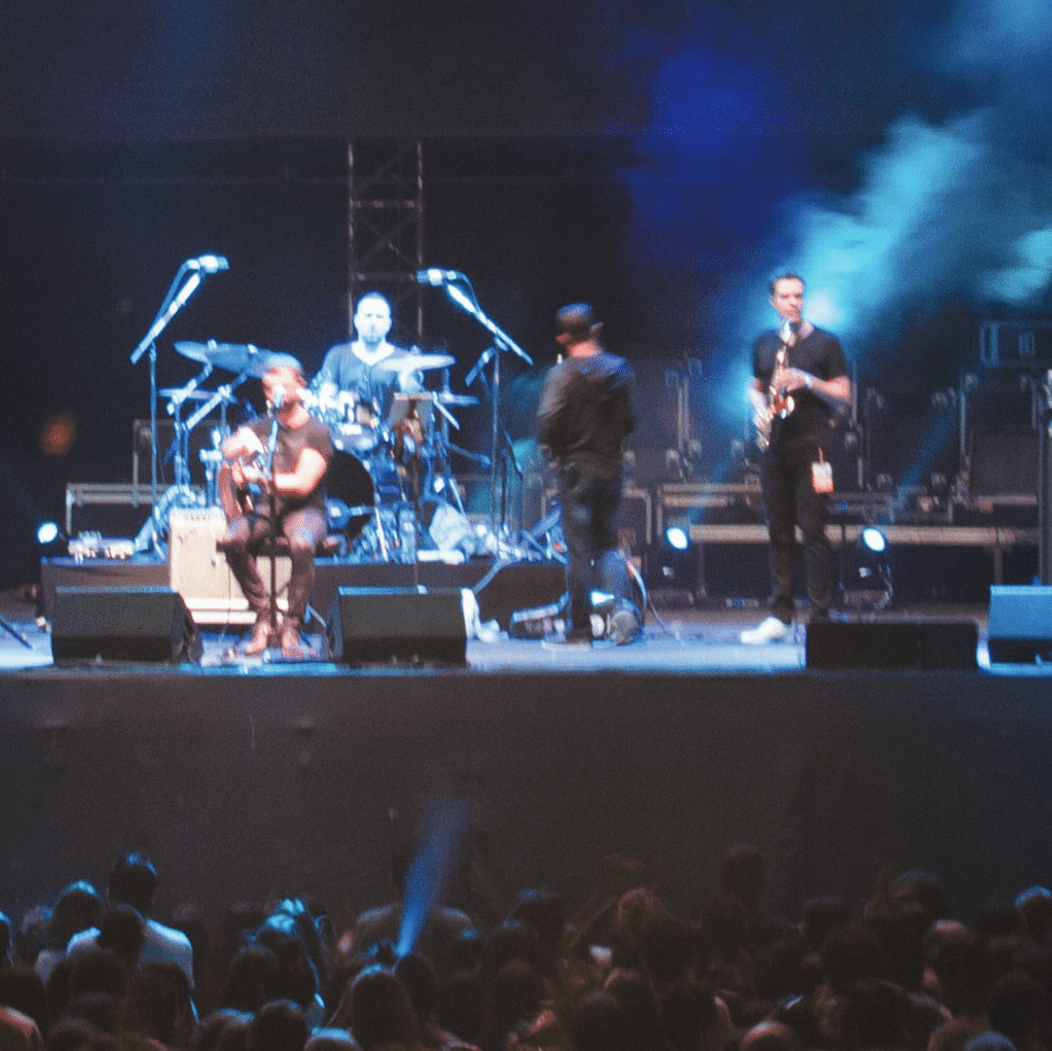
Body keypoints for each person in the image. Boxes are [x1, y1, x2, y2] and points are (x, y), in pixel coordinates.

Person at [741, 272, 852, 645]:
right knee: (779, 530)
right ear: (773, 302)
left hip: (814, 447)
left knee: (814, 529)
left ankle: (820, 615)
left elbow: (844, 394)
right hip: (775, 447)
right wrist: (759, 408)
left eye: (799, 296)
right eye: (786, 297)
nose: (793, 303)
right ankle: (781, 615)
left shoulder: (825, 343)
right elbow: (755, 387)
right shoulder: (764, 343)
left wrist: (807, 380)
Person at [217, 361, 334, 660]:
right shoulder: (263, 426)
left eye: (280, 382)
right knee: (232, 539)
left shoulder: (317, 431)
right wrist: (239, 450)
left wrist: (259, 477)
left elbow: (302, 484)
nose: (273, 390)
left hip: (304, 510)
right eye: (268, 387)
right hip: (267, 508)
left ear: (300, 385)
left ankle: (291, 626)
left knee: (302, 544)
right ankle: (264, 617)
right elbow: (229, 447)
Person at [536, 303, 636, 647]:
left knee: (579, 551)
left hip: (575, 470)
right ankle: (624, 613)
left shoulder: (561, 375)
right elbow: (629, 422)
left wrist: (556, 450)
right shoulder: (620, 370)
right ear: (596, 329)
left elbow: (547, 423)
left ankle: (579, 630)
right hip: (610, 469)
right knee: (607, 545)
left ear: (563, 338)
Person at [313, 292, 425, 440]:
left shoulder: (404, 358)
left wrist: (409, 384)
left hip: (387, 440)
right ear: (356, 321)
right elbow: (326, 398)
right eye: (368, 316)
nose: (373, 322)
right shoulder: (337, 354)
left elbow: (414, 411)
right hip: (345, 437)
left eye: (379, 317)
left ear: (388, 324)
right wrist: (336, 402)